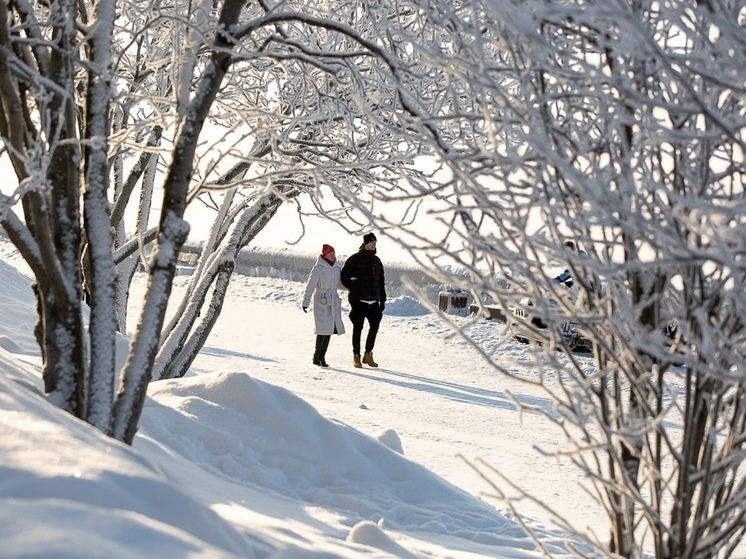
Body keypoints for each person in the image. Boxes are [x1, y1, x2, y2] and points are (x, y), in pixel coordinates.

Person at [340, 232, 386, 368]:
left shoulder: (377, 261)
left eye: (375, 242)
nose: (374, 244)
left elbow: (381, 281)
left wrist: (382, 299)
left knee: (374, 327)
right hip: (359, 301)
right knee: (358, 328)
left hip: (374, 302)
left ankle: (368, 354)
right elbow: (344, 277)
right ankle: (356, 356)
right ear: (365, 243)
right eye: (372, 242)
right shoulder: (354, 259)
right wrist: (355, 289)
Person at [302, 244, 346, 367]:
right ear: (325, 254)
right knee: (322, 329)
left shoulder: (337, 268)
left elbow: (339, 284)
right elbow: (310, 286)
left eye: (334, 253)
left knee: (330, 330)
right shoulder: (318, 268)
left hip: (333, 300)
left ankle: (322, 356)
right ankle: (318, 356)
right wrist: (306, 302)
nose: (333, 255)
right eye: (330, 253)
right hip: (321, 301)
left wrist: (352, 286)